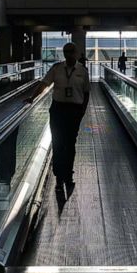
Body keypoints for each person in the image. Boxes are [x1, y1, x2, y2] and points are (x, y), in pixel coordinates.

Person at [27, 42, 90, 208]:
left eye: (71, 51)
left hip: (74, 111)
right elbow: (44, 84)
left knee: (69, 143)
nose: (68, 54)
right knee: (57, 142)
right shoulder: (56, 69)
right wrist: (32, 97)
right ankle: (58, 176)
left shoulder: (83, 71)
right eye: (66, 51)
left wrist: (82, 111)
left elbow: (86, 92)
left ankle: (68, 174)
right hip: (58, 110)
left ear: (76, 53)